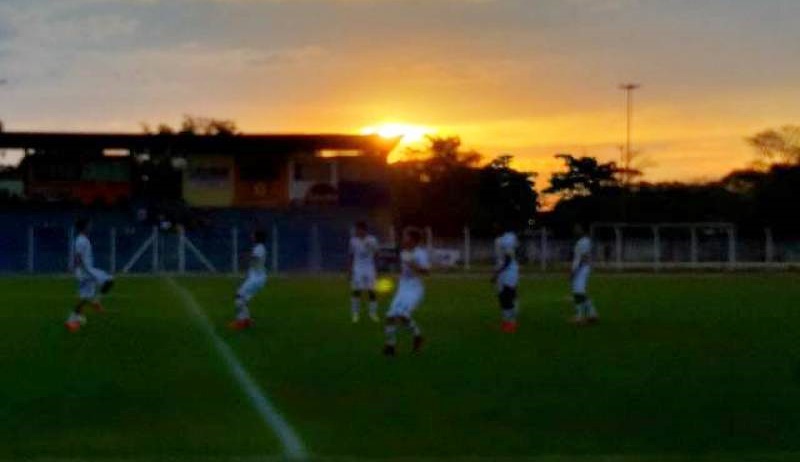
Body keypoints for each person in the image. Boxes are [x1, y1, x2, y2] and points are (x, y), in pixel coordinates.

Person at [383, 227, 430, 356]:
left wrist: (413, 265)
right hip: (402, 287)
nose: (404, 239)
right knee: (390, 316)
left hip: (415, 289)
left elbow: (426, 272)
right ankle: (390, 346)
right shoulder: (403, 252)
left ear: (413, 240)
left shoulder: (420, 253)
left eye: (406, 237)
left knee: (402, 315)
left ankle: (418, 336)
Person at [65, 218, 114, 332]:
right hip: (87, 272)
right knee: (108, 281)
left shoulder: (82, 239)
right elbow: (78, 256)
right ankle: (71, 320)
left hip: (88, 271)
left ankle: (91, 305)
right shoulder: (81, 240)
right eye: (89, 225)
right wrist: (75, 269)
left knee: (86, 297)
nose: (91, 227)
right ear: (84, 227)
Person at [230, 230, 268, 331]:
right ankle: (246, 320)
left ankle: (241, 322)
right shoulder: (259, 248)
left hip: (257, 279)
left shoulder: (259, 248)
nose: (251, 236)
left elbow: (254, 260)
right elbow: (253, 262)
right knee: (243, 298)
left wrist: (243, 257)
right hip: (256, 278)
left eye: (253, 235)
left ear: (257, 237)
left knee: (239, 296)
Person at [348, 221, 380, 323]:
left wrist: (376, 268)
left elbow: (376, 253)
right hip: (357, 268)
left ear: (364, 230)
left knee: (372, 291)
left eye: (359, 229)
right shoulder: (353, 241)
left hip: (369, 268)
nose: (357, 231)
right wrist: (350, 269)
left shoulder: (372, 240)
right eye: (356, 229)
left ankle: (373, 314)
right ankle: (355, 314)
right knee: (356, 291)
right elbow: (351, 255)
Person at [492, 224, 519, 333]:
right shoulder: (503, 239)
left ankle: (511, 323)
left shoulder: (506, 239)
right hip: (505, 270)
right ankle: (506, 321)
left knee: (507, 296)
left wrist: (496, 273)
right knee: (502, 296)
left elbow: (508, 259)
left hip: (508, 271)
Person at [571, 224, 598, 325]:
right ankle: (592, 313)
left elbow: (584, 257)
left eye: (577, 228)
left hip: (581, 269)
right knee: (579, 292)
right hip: (580, 269)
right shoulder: (581, 241)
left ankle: (580, 316)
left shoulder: (585, 241)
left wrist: (575, 271)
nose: (575, 230)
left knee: (579, 292)